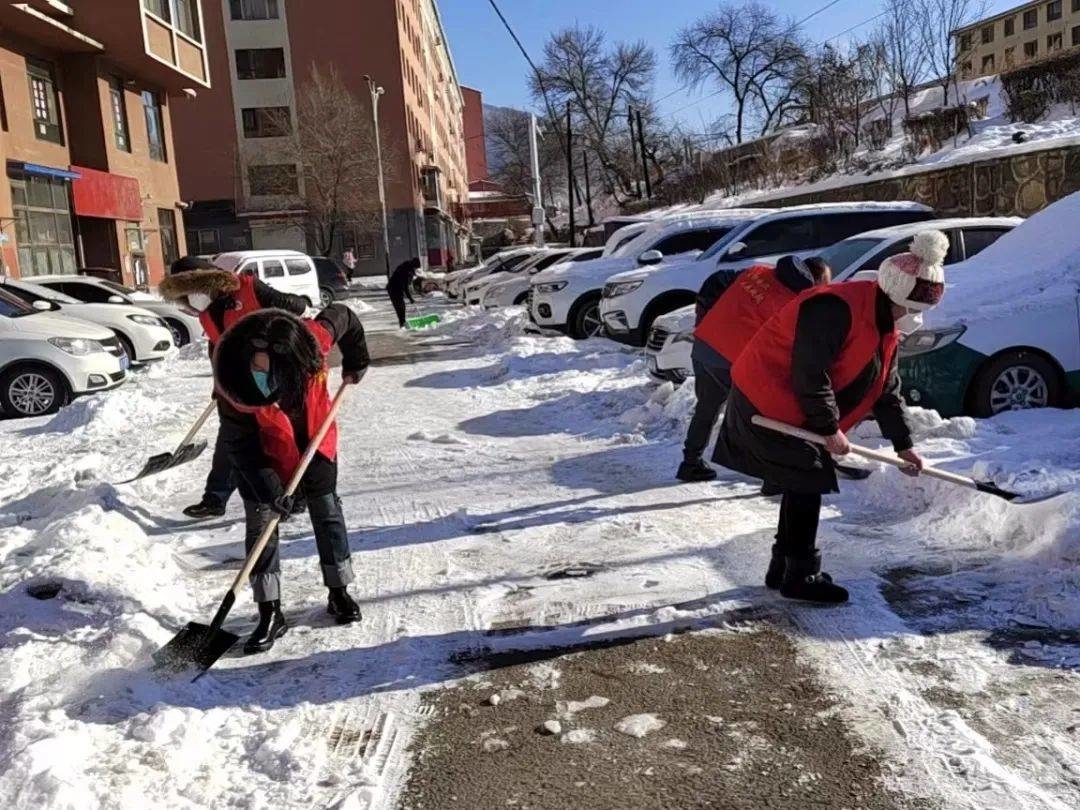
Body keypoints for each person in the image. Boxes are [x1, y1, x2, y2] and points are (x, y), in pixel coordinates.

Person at [713, 230, 950, 604]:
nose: (914, 318)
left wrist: (904, 445)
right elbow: (810, 373)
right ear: (894, 294)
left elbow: (886, 390)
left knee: (801, 480)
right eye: (912, 308)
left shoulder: (885, 325)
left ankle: (784, 567)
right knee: (808, 480)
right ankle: (800, 576)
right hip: (768, 402)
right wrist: (828, 428)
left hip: (794, 406)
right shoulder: (834, 308)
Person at [212, 303, 370, 654]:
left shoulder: (310, 342)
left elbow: (344, 314)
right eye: (260, 369)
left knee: (327, 512)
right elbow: (239, 445)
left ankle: (339, 591)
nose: (268, 378)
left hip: (316, 442)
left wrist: (357, 361)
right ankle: (270, 610)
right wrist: (270, 490)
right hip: (262, 456)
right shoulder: (232, 383)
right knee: (262, 522)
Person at [159, 257, 309, 519]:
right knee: (232, 438)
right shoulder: (207, 314)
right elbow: (218, 348)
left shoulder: (249, 288)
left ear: (206, 282)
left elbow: (296, 306)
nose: (191, 300)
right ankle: (215, 498)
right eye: (184, 296)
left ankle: (297, 493)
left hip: (271, 379)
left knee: (283, 438)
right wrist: (220, 385)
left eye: (192, 291)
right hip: (237, 386)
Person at [677, 255, 833, 483]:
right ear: (815, 281)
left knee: (707, 406)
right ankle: (773, 478)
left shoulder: (757, 272)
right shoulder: (795, 302)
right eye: (826, 283)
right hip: (733, 359)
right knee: (769, 415)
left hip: (705, 347)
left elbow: (717, 281)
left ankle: (690, 462)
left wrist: (704, 317)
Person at [388, 257, 421, 328]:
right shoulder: (407, 271)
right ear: (414, 266)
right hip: (394, 289)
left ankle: (402, 323)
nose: (416, 269)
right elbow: (405, 286)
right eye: (416, 268)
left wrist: (409, 297)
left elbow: (405, 285)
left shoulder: (406, 266)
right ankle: (402, 324)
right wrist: (410, 298)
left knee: (401, 307)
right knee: (400, 307)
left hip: (394, 288)